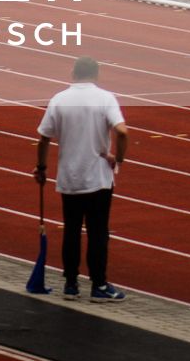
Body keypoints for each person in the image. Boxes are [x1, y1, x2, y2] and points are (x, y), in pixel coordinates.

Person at [35, 57, 128, 301]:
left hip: (70, 176)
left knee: (72, 230)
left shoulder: (59, 99)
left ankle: (71, 285)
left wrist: (41, 168)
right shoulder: (106, 98)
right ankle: (99, 286)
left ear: (73, 73)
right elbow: (122, 131)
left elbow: (44, 137)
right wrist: (118, 159)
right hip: (98, 177)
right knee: (98, 232)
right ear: (96, 74)